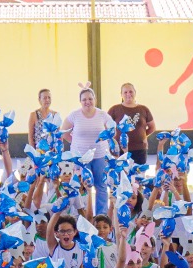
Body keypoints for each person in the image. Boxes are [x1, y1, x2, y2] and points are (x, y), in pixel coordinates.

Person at [61, 86, 116, 215]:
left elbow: (112, 129)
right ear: (80, 101)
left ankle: (101, 216)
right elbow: (64, 132)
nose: (87, 102)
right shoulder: (74, 115)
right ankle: (80, 214)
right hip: (80, 159)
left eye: (90, 99)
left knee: (101, 186)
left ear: (95, 100)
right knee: (81, 186)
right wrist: (75, 144)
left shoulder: (102, 114)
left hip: (99, 156)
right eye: (84, 99)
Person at [108, 82, 155, 167]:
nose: (128, 94)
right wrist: (112, 142)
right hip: (120, 150)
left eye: (131, 91)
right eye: (125, 92)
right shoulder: (114, 109)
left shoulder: (143, 109)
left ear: (135, 93)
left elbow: (152, 127)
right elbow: (106, 127)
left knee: (138, 177)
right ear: (121, 94)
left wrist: (143, 136)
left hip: (139, 149)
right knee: (121, 175)